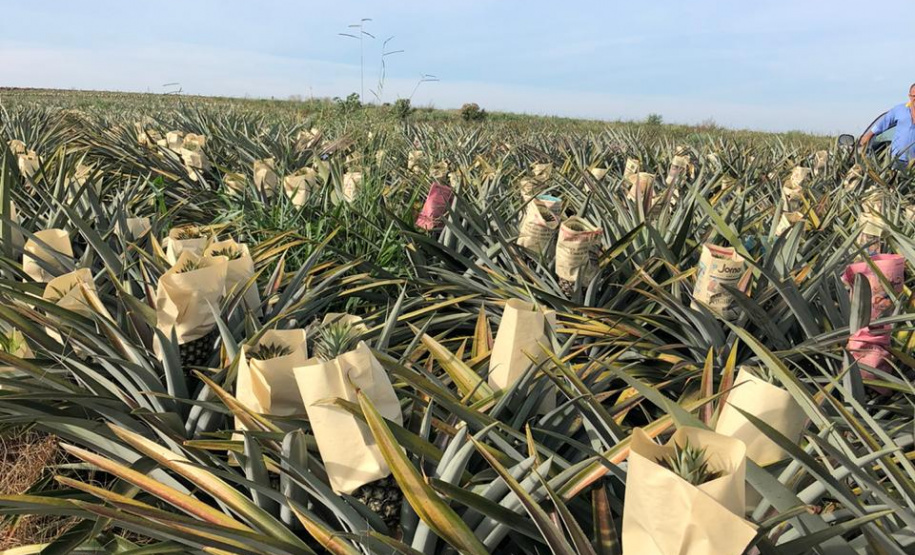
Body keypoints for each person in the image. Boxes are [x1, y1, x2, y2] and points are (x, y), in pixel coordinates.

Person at [859, 84, 915, 170]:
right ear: (909, 96)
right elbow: (883, 123)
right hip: (898, 159)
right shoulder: (899, 109)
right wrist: (869, 135)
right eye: (913, 96)